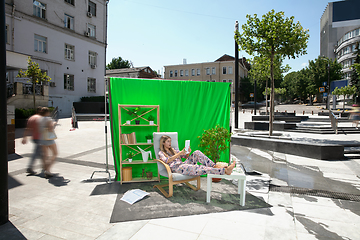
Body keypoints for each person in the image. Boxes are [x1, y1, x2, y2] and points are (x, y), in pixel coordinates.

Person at [158, 135, 235, 176]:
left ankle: (214, 166)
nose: (170, 143)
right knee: (198, 167)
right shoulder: (161, 153)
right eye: (168, 141)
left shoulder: (173, 150)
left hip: (183, 165)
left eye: (170, 141)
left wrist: (187, 153)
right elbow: (167, 160)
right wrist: (179, 153)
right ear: (163, 143)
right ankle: (224, 171)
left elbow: (185, 157)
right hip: (177, 168)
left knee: (197, 152)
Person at [22, 106, 43, 175]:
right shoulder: (40, 118)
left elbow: (27, 128)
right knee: (37, 153)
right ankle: (30, 167)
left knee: (41, 153)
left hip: (34, 138)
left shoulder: (31, 118)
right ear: (40, 111)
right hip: (40, 138)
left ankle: (44, 167)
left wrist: (24, 137)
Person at [39, 107, 58, 178]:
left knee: (45, 155)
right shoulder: (48, 119)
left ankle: (45, 168)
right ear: (47, 112)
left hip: (41, 138)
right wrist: (54, 123)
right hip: (49, 139)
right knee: (55, 153)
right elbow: (50, 128)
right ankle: (48, 169)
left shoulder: (39, 119)